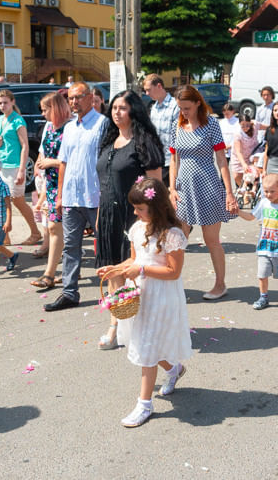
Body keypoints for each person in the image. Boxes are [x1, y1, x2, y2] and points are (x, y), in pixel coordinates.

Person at [96, 178, 192, 428]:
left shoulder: (172, 234)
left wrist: (142, 269)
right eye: (135, 208)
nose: (135, 212)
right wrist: (115, 268)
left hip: (162, 296)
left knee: (147, 348)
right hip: (142, 293)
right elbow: (134, 259)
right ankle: (174, 370)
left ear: (156, 206)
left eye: (140, 208)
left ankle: (144, 404)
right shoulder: (138, 229)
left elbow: (173, 272)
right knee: (147, 343)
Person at [95, 91, 164, 349]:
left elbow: (155, 187)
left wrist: (153, 222)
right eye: (114, 107)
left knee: (134, 272)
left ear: (133, 111)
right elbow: (104, 184)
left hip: (134, 219)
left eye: (122, 108)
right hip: (108, 217)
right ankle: (117, 323)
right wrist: (100, 219)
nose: (116, 112)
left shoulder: (144, 144)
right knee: (114, 271)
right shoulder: (108, 142)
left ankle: (139, 325)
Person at [169, 85, 239, 300]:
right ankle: (172, 284)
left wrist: (228, 192)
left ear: (198, 103)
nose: (184, 112)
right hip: (183, 189)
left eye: (187, 108)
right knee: (178, 239)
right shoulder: (177, 126)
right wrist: (171, 188)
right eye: (181, 108)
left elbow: (221, 160)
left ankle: (220, 284)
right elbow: (173, 159)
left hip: (208, 185)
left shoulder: (211, 125)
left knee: (212, 240)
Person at [44, 82, 108, 312]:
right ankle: (69, 292)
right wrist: (60, 195)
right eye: (70, 98)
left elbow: (107, 161)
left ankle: (113, 290)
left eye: (79, 97)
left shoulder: (103, 124)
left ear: (91, 98)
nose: (74, 102)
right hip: (71, 196)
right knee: (70, 246)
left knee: (105, 244)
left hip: (95, 196)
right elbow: (63, 163)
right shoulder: (70, 127)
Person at [237, 173, 278, 310]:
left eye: (272, 191)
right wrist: (238, 211)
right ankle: (263, 297)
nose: (268, 194)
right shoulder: (263, 203)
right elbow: (251, 217)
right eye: (266, 191)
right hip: (265, 245)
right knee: (262, 274)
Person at [31, 91, 71, 290]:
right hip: (52, 183)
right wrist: (41, 161)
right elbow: (43, 151)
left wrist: (51, 162)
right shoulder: (49, 127)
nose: (43, 114)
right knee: (55, 228)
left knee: (64, 229)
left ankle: (54, 272)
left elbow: (74, 160)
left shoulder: (70, 128)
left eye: (46, 109)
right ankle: (54, 272)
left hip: (68, 184)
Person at [0, 89, 41, 245]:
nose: (3, 106)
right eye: (0, 103)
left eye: (5, 102)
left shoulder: (18, 120)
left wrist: (22, 170)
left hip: (13, 166)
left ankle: (35, 232)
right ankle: (5, 236)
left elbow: (25, 146)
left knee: (17, 200)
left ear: (12, 102)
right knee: (2, 200)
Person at [144, 74, 179, 186]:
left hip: (171, 161)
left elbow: (178, 135)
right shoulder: (154, 108)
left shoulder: (175, 106)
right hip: (157, 160)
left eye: (149, 90)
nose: (147, 94)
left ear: (159, 86)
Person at [230, 114, 259, 189]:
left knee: (251, 176)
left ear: (250, 123)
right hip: (238, 158)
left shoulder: (255, 126)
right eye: (243, 125)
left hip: (252, 156)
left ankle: (250, 191)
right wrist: (244, 164)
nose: (245, 127)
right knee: (237, 177)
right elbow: (238, 151)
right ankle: (244, 190)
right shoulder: (238, 133)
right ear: (239, 124)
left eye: (247, 125)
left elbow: (267, 127)